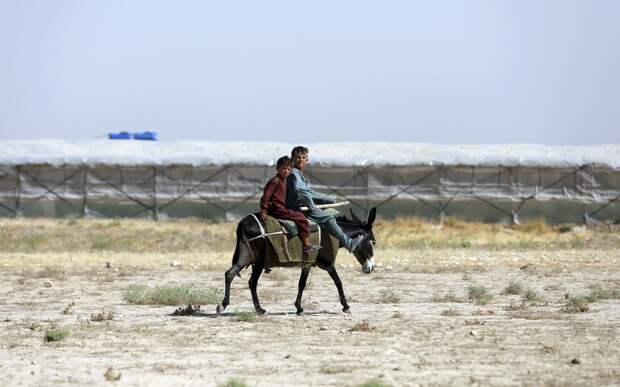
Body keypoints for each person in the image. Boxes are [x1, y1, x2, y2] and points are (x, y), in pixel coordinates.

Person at [286, 146, 364, 252]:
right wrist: (311, 205)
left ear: (307, 160)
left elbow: (310, 192)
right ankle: (349, 243)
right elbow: (303, 192)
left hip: (302, 205)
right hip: (298, 207)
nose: (301, 160)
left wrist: (328, 199)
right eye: (298, 157)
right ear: (292, 159)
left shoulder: (298, 174)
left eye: (303, 157)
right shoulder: (294, 174)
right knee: (329, 218)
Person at [259, 155, 318, 254]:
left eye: (288, 169)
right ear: (277, 168)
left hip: (280, 209)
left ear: (291, 170)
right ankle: (306, 244)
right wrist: (263, 211)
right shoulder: (275, 181)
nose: (285, 171)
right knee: (301, 218)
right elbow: (266, 197)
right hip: (278, 210)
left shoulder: (282, 181)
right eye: (283, 168)